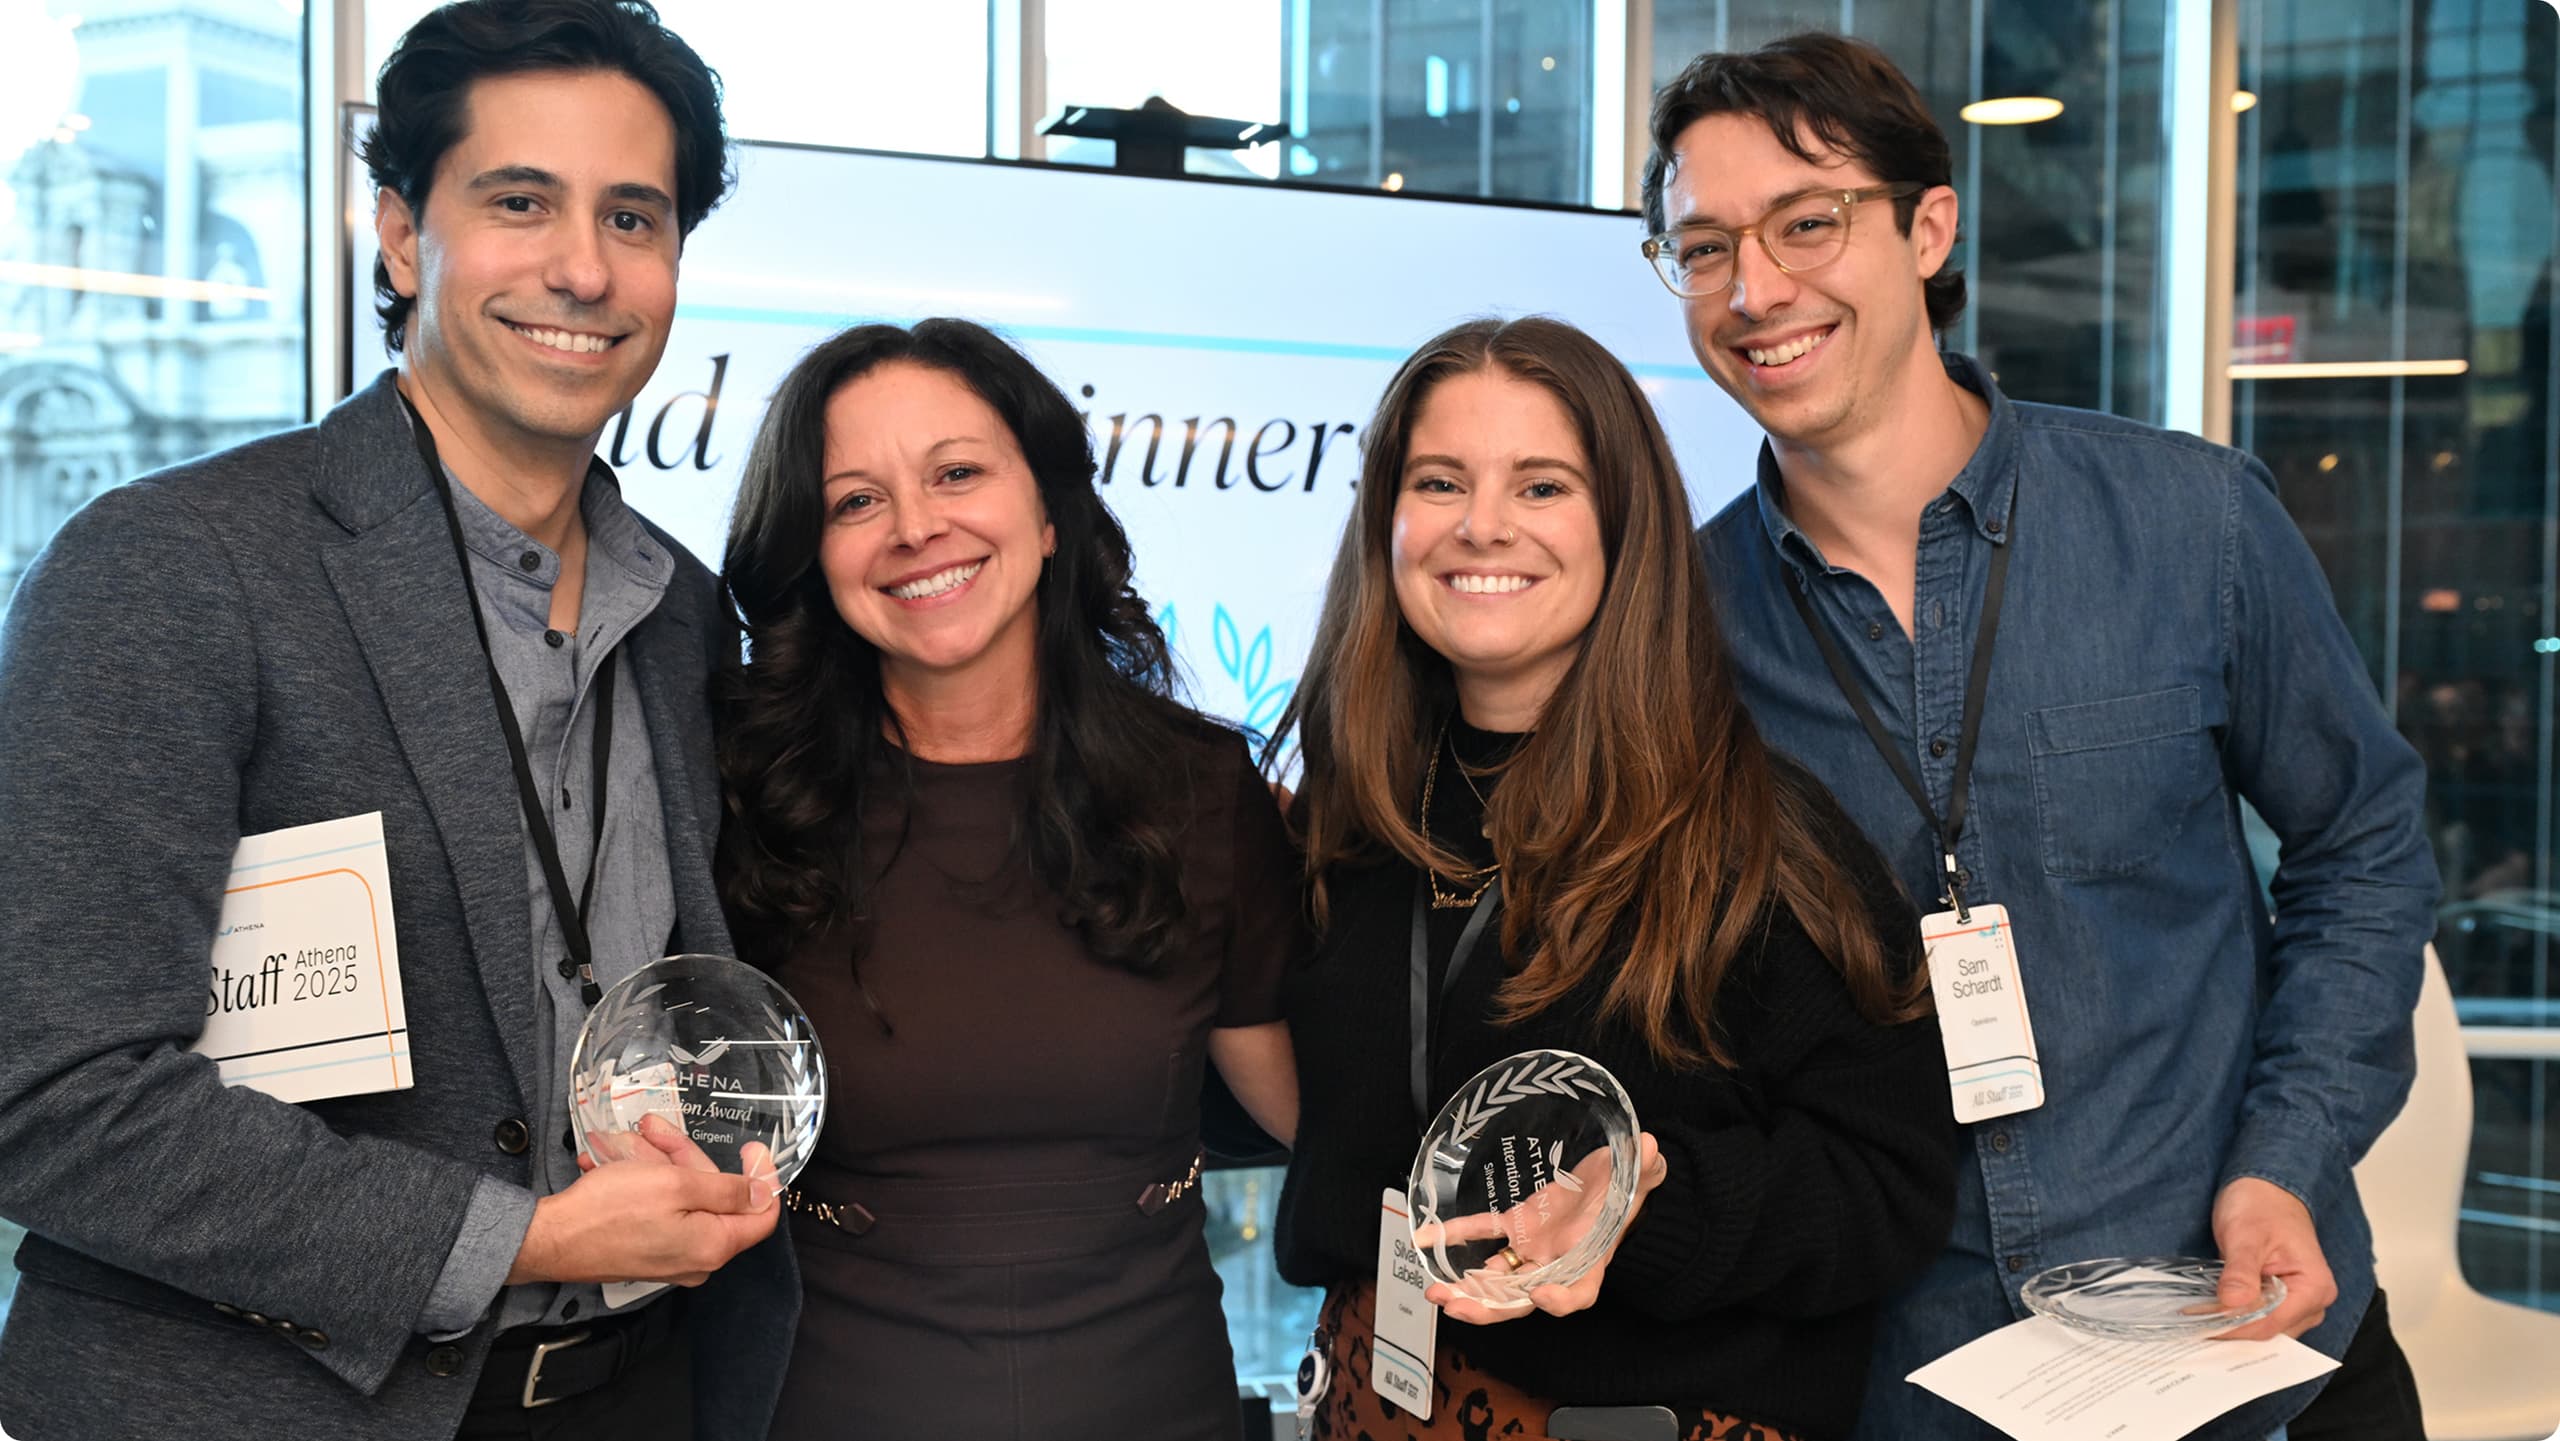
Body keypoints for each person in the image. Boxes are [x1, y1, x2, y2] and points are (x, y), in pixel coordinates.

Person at [0, 4, 796, 1439]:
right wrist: (526, 1238)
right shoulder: (176, 567)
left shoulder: (682, 611)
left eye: (635, 215)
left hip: (645, 1390)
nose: (582, 267)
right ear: (400, 233)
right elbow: (53, 1097)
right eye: (518, 202)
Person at [1652, 32, 2440, 1440]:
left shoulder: (2192, 521)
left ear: (1928, 226)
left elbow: (2364, 846)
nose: (1756, 289)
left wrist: (2287, 1159)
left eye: (1807, 223)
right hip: (1919, 1381)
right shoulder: (1684, 634)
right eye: (1704, 249)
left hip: (2253, 1343)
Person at [1268, 315, 1956, 1441]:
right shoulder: (1353, 819)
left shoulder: (1750, 835)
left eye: (1542, 487)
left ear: (1623, 527)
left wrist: (1650, 1208)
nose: (1481, 524)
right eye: (1438, 481)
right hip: (1375, 1403)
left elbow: (1890, 1182)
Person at [714, 317, 1302, 1441]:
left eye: (957, 473)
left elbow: (1315, 1112)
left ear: (1047, 512)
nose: (916, 526)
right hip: (833, 1404)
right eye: (854, 501)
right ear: (813, 552)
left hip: (1155, 1400)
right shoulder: (736, 798)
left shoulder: (1203, 787)